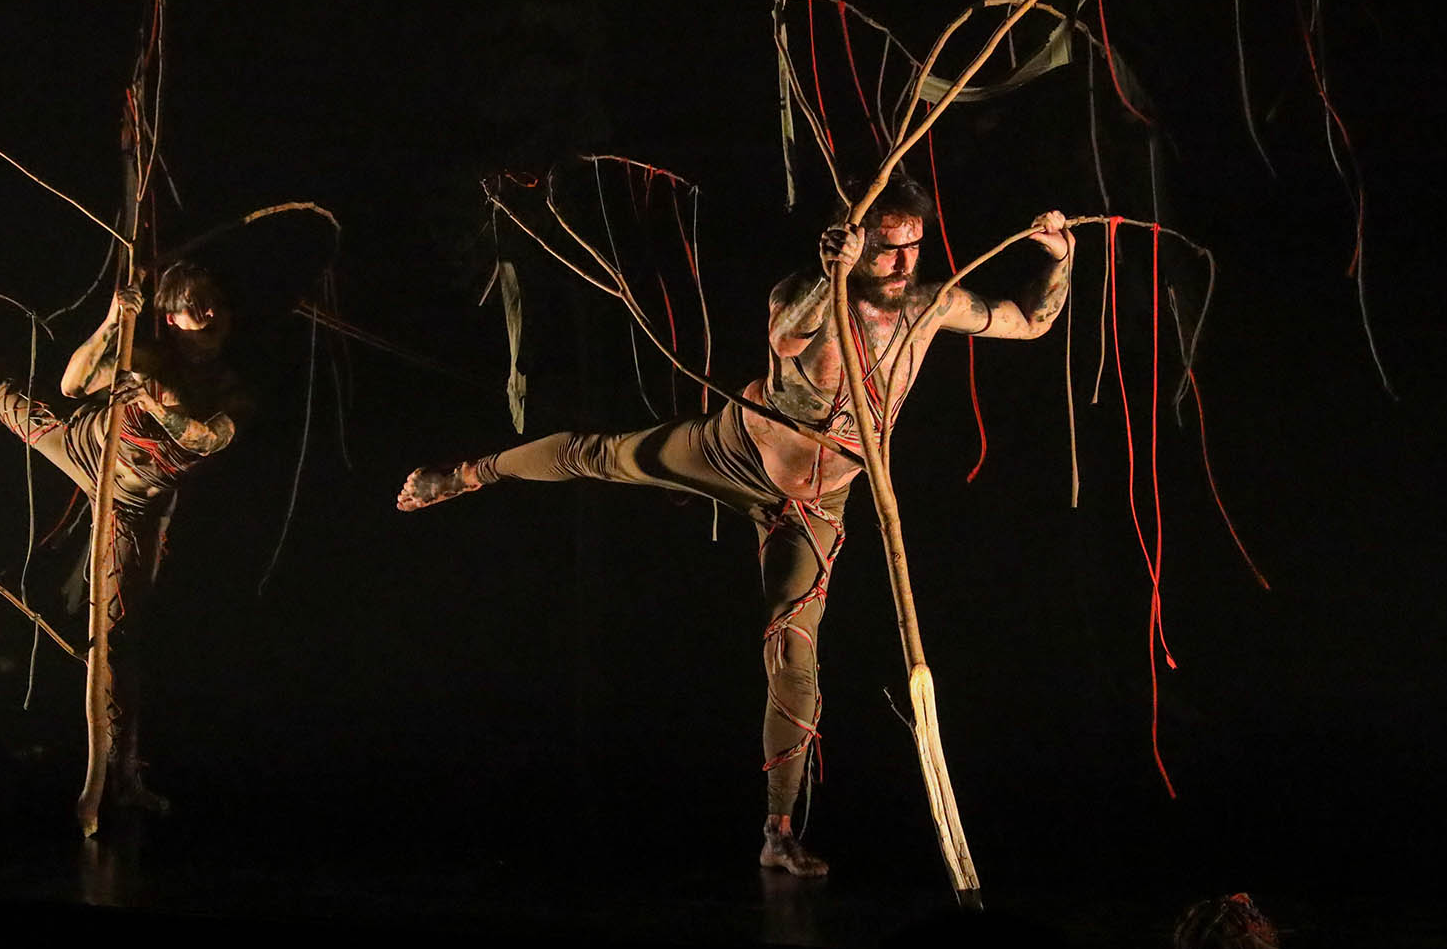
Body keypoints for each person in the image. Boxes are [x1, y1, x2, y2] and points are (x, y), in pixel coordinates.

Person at [398, 176, 1074, 875]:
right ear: (851, 243)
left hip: (815, 506)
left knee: (793, 648)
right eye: (887, 249)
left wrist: (1059, 257)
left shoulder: (931, 306)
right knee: (601, 455)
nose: (904, 264)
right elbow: (786, 336)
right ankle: (469, 473)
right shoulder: (806, 293)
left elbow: (1031, 320)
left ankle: (777, 831)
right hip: (736, 452)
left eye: (914, 247)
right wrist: (830, 276)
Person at [0, 261, 250, 813]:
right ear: (170, 317)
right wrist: (114, 320)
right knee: (4, 397)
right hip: (82, 447)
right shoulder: (145, 356)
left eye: (218, 305)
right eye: (196, 305)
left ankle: (123, 774)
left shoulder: (229, 386)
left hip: (131, 505)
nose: (211, 314)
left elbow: (209, 439)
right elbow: (73, 384)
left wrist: (157, 404)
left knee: (118, 637)